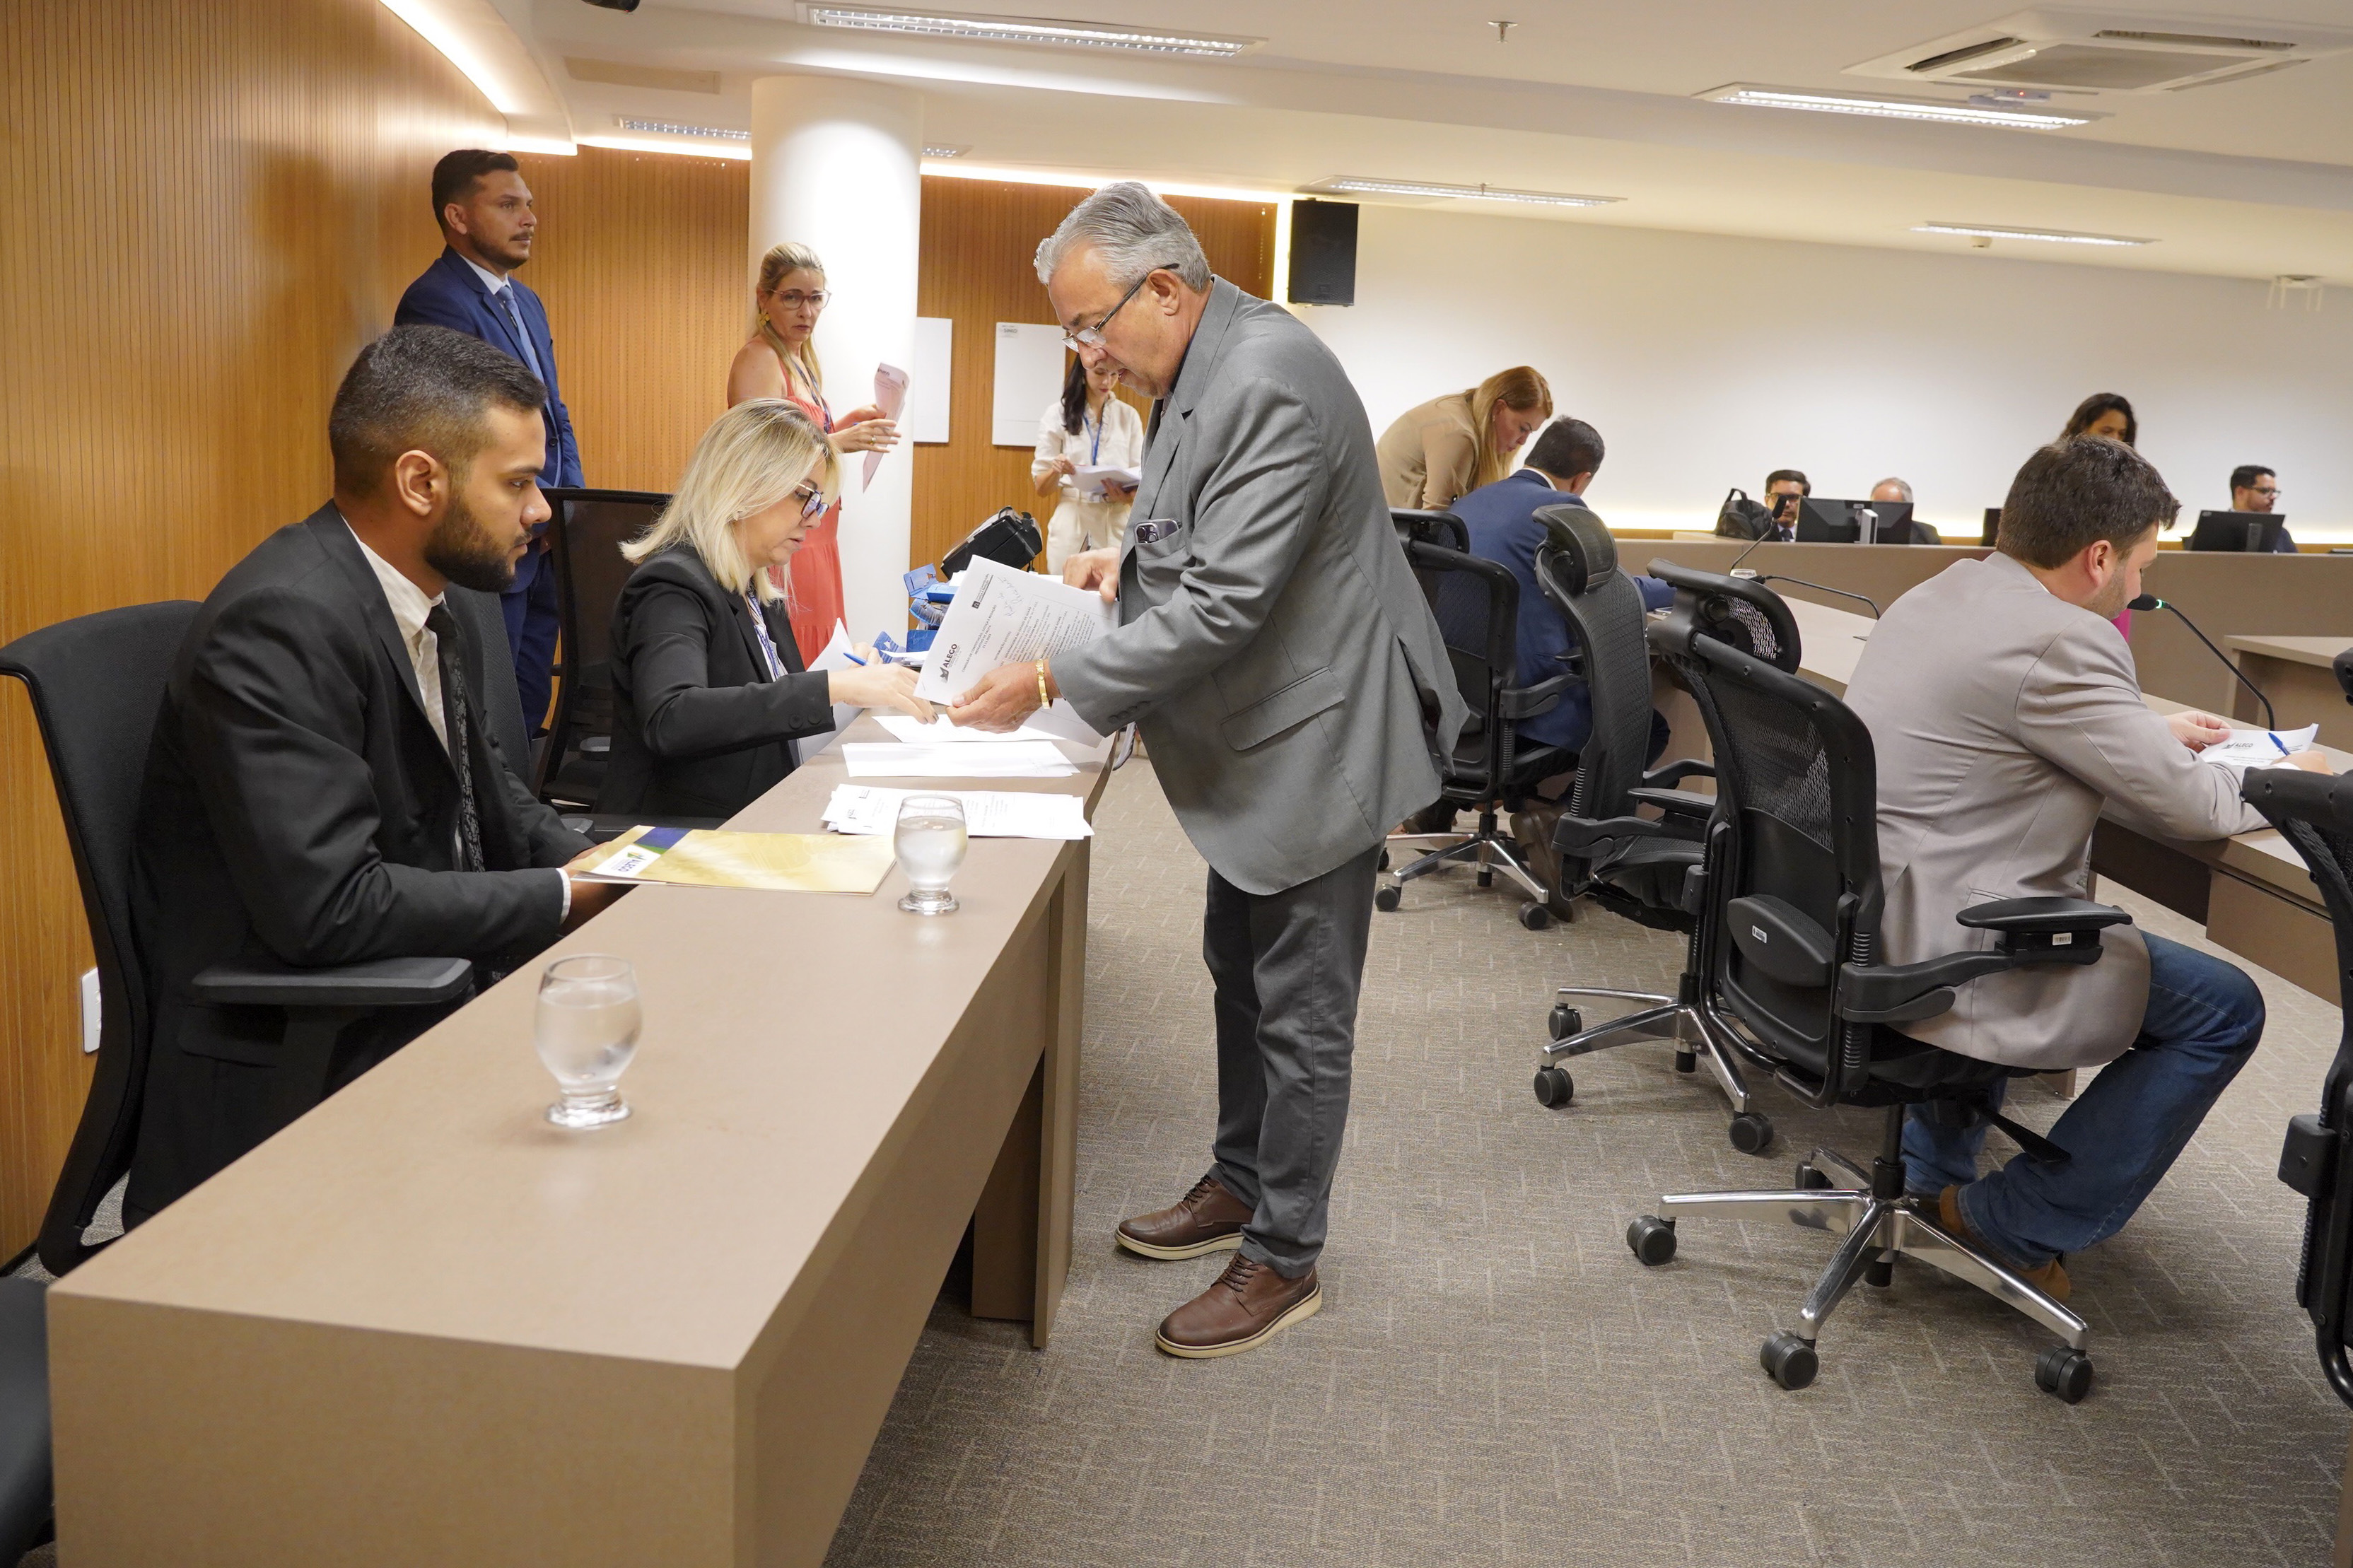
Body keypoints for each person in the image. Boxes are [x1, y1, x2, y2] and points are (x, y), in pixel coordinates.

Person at [949, 182, 1466, 1359]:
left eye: (1090, 326)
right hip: (1259, 734)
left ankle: (1284, 1253)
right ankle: (1240, 1178)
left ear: (1165, 291)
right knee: (1238, 964)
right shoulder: (1204, 359)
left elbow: (1229, 602)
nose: (1087, 354)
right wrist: (1122, 574)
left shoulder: (1266, 376)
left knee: (1302, 1008)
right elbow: (1198, 532)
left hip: (1319, 737)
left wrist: (1048, 678)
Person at [127, 327, 620, 1217]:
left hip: (420, 991)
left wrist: (613, 863)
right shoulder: (282, 622)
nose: (542, 510)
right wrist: (561, 895)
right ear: (421, 482)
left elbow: (489, 791)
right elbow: (331, 908)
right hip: (302, 1064)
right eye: (517, 482)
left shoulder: (431, 595)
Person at [1843, 435, 2330, 1301]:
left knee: (2015, 887)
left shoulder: (1942, 589)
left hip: (1869, 911)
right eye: (2140, 566)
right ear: (2099, 556)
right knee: (2222, 1008)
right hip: (1953, 939)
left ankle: (1930, 1174)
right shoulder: (2064, 638)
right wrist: (2297, 782)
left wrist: (2138, 732)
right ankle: (2013, 1219)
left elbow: (2004, 714)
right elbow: (2195, 809)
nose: (2138, 588)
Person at [600, 402, 934, 819]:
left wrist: (846, 680)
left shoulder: (758, 591)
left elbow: (768, 715)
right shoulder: (671, 585)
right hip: (689, 829)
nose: (814, 521)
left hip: (762, 808)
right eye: (805, 497)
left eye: (819, 504)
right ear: (742, 486)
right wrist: (833, 687)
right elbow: (673, 718)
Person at [1449, 417, 1675, 908]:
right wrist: (1680, 589)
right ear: (1583, 478)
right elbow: (1611, 590)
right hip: (1524, 710)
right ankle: (1552, 822)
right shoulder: (1561, 510)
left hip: (1454, 707)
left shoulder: (1469, 503)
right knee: (1646, 728)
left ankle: (1438, 804)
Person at [395, 150, 583, 737]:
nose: (529, 218)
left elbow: (553, 414)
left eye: (528, 205)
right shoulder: (435, 301)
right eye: (507, 205)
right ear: (458, 216)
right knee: (487, 710)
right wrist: (526, 510)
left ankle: (522, 798)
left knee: (529, 701)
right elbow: (459, 436)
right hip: (493, 540)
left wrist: (567, 506)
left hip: (545, 535)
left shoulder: (526, 302)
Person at [726, 242, 900, 662]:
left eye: (816, 298)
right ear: (764, 298)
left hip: (816, 531)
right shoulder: (759, 359)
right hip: (782, 532)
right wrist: (836, 443)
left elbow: (802, 440)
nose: (807, 312)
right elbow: (761, 458)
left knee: (823, 652)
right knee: (798, 653)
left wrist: (842, 427)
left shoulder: (799, 359)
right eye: (793, 298)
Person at [1374, 367, 1553, 511]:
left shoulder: (1465, 412)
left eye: (1530, 433)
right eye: (1523, 429)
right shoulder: (1457, 434)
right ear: (1499, 408)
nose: (1523, 441)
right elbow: (1436, 522)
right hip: (1389, 535)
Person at [1032, 356, 1145, 571]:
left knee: (1116, 587)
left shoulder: (1128, 415)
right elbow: (1041, 488)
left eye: (1114, 374)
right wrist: (1056, 470)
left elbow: (1141, 476)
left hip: (1116, 518)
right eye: (1100, 373)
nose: (1107, 382)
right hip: (1073, 517)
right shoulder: (1057, 414)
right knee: (1065, 586)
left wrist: (1127, 497)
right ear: (1083, 373)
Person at [2230, 464, 2296, 552]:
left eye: (2274, 491)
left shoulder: (2281, 534)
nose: (2273, 497)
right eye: (2265, 491)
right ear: (2240, 492)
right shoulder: (2216, 531)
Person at [2061, 392, 2136, 445]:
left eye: (2122, 434)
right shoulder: (2060, 461)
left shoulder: (2131, 463)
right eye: (2106, 431)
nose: (2115, 439)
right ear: (2083, 428)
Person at [1763, 468, 1810, 538]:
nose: (1786, 504)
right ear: (1767, 500)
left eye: (1794, 497)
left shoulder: (1813, 538)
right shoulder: (1754, 536)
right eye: (1779, 497)